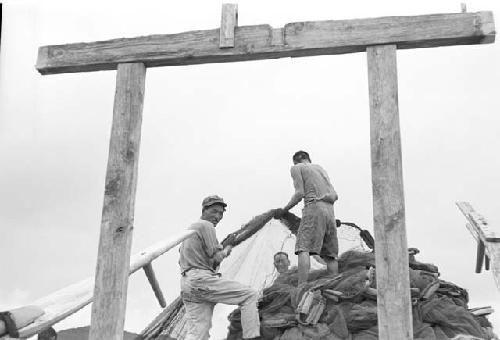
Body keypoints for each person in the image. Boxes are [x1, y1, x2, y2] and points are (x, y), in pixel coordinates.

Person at [179, 195, 261, 340]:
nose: (217, 216)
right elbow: (217, 257)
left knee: (198, 333)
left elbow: (190, 259)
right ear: (204, 210)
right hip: (200, 279)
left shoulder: (190, 230)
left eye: (221, 213)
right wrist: (227, 249)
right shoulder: (206, 225)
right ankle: (252, 338)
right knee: (250, 295)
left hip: (187, 283)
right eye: (214, 211)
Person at [277, 150, 339, 285]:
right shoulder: (321, 169)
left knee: (303, 247)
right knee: (330, 255)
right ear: (308, 159)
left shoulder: (296, 168)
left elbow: (299, 193)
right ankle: (335, 285)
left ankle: (302, 286)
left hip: (313, 207)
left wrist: (285, 209)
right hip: (330, 212)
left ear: (296, 161)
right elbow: (335, 195)